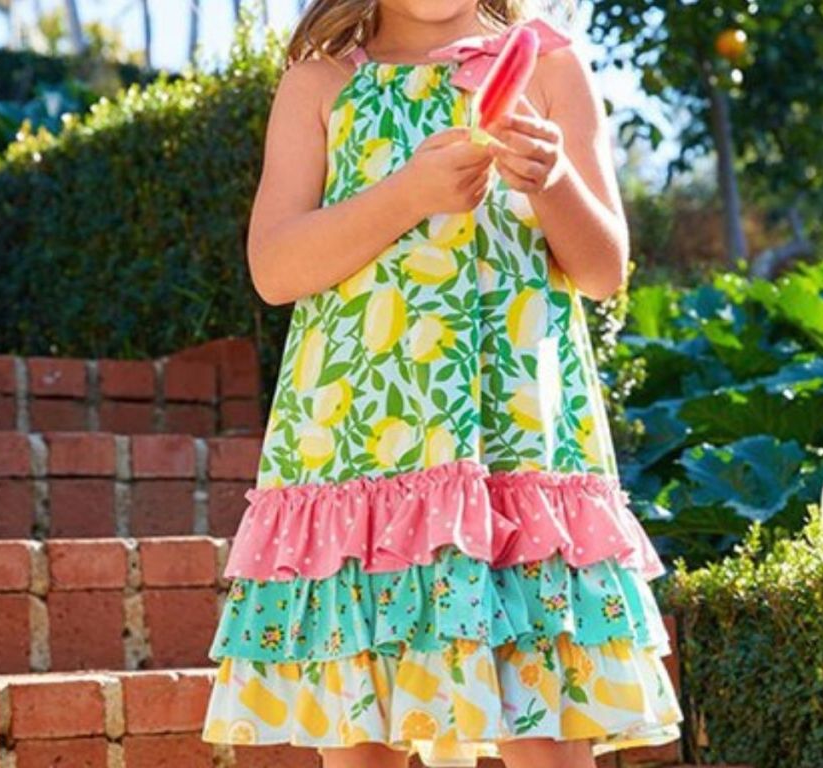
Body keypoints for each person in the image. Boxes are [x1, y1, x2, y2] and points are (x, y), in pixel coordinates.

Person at [201, 1, 683, 766]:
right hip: (360, 454)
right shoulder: (320, 82)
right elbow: (276, 267)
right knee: (366, 740)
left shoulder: (549, 68)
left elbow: (602, 272)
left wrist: (553, 179)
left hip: (517, 453)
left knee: (548, 730)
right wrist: (407, 194)